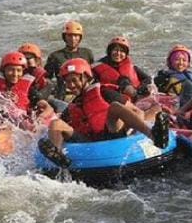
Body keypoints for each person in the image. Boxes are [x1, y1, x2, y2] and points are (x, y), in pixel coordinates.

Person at [37, 58, 170, 168]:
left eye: (74, 80)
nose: (70, 85)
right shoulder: (73, 105)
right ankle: (57, 156)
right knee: (55, 123)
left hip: (112, 133)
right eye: (67, 82)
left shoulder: (104, 92)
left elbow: (137, 112)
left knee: (114, 107)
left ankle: (153, 136)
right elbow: (60, 126)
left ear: (85, 77)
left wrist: (131, 131)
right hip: (88, 140)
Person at [44, 20, 95, 102]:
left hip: (84, 94)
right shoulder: (55, 56)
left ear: (80, 37)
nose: (73, 39)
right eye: (69, 36)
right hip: (62, 95)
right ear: (65, 37)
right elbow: (47, 79)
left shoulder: (87, 53)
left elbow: (92, 76)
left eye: (76, 36)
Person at [92, 36, 152, 102]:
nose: (118, 53)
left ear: (126, 54)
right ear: (110, 51)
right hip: (112, 99)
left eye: (122, 51)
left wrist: (140, 89)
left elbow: (147, 79)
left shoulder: (132, 67)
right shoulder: (98, 68)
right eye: (115, 50)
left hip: (134, 96)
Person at [0, 51, 36, 126]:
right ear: (3, 71)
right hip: (2, 120)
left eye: (19, 70)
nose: (15, 74)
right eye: (10, 70)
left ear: (23, 72)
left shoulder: (31, 88)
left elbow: (41, 104)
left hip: (21, 122)